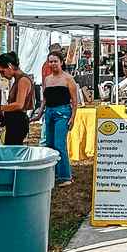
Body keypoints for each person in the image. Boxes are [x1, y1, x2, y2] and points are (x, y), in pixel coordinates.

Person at [41, 51, 82, 187]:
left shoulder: (68, 78)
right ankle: (53, 174)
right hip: (49, 112)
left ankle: (65, 176)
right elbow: (44, 99)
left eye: (55, 61)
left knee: (59, 144)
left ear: (61, 62)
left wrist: (73, 117)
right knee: (49, 144)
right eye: (50, 61)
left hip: (63, 113)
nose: (53, 64)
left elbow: (75, 101)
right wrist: (40, 113)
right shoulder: (47, 79)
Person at [0, 52, 36, 145]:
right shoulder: (18, 80)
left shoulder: (23, 80)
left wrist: (1, 108)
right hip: (14, 121)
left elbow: (19, 104)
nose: (2, 75)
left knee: (12, 151)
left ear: (9, 66)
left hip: (18, 123)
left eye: (2, 72)